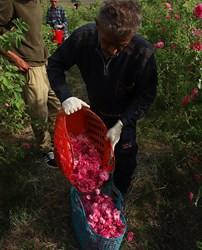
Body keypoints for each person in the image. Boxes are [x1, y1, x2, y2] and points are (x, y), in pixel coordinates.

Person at [47, 0, 158, 196]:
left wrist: (123, 123)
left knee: (124, 159)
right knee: (94, 155)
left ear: (131, 36)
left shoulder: (143, 53)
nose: (113, 51)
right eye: (107, 42)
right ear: (97, 25)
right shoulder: (83, 38)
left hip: (123, 117)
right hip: (95, 111)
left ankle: (117, 197)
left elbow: (146, 95)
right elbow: (55, 64)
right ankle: (93, 190)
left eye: (121, 46)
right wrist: (65, 96)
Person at [0, 0, 61, 168]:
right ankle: (46, 150)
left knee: (57, 107)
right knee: (39, 112)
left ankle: (58, 143)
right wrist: (14, 58)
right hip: (29, 67)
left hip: (44, 64)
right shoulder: (10, 2)